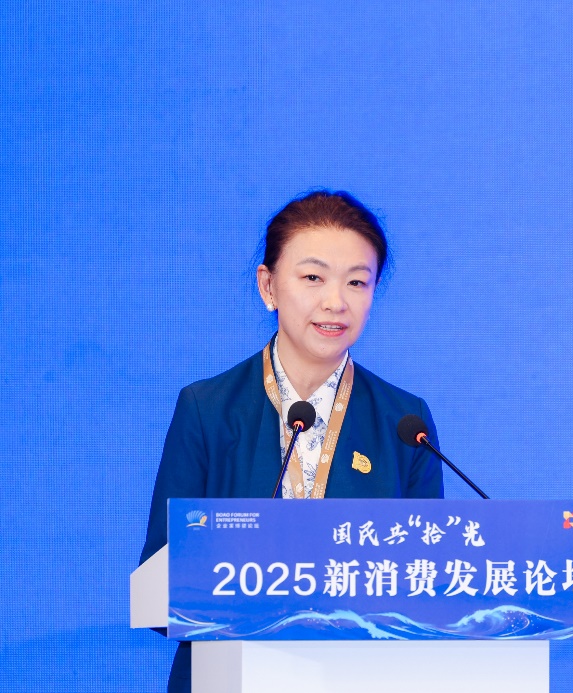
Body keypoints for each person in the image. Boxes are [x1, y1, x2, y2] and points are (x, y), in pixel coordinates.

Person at [140, 190, 444, 692]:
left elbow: (429, 583)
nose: (336, 302)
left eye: (357, 282)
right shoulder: (208, 409)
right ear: (269, 286)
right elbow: (159, 587)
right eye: (313, 278)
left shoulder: (405, 422)